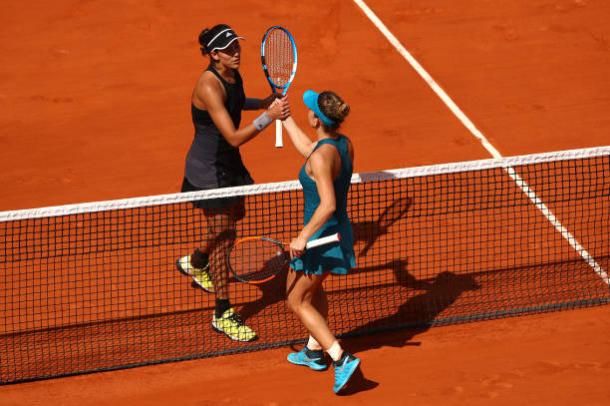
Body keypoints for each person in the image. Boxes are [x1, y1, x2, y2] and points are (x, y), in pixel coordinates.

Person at [176, 24, 289, 342]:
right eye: (228, 49)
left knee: (234, 218)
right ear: (214, 55)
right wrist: (271, 116)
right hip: (209, 172)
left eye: (237, 46)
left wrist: (265, 102)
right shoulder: (209, 86)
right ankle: (222, 313)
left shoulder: (232, 75)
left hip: (229, 166)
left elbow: (236, 101)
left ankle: (197, 261)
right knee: (226, 236)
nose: (236, 52)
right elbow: (235, 136)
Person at [281, 89, 360, 394]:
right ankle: (314, 352)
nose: (307, 112)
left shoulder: (320, 155)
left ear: (316, 118)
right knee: (314, 289)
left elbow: (326, 203)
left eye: (308, 110)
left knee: (295, 299)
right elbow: (311, 151)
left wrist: (303, 236)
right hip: (338, 232)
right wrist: (285, 119)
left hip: (320, 238)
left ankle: (341, 357)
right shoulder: (342, 145)